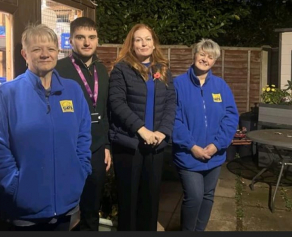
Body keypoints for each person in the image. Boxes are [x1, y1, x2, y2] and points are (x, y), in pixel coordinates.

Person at [0, 23, 92, 231]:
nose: (44, 54)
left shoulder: (73, 91)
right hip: (24, 210)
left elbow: (83, 136)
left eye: (50, 49)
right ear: (24, 54)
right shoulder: (6, 95)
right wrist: (15, 186)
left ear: (58, 52)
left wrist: (80, 171)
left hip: (66, 206)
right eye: (36, 49)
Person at [108, 23, 176, 231]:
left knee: (151, 198)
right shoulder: (122, 69)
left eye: (147, 39)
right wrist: (142, 130)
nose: (143, 43)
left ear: (154, 44)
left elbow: (171, 101)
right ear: (132, 44)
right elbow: (117, 102)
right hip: (130, 145)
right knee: (129, 201)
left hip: (156, 144)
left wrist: (162, 132)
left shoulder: (162, 69)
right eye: (138, 39)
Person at [172, 38, 239, 231]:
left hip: (214, 155)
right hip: (188, 154)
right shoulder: (178, 84)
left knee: (208, 195)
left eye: (210, 57)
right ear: (194, 55)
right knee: (194, 196)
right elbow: (173, 119)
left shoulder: (220, 86)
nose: (205, 59)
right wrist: (192, 146)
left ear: (214, 61)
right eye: (202, 54)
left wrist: (218, 144)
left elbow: (231, 116)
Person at [55, 17, 111, 231]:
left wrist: (106, 145)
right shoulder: (59, 70)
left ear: (97, 40)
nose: (87, 42)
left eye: (91, 37)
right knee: (65, 209)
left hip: (96, 148)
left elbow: (104, 112)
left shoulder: (102, 71)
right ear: (70, 41)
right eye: (80, 37)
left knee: (91, 208)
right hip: (68, 149)